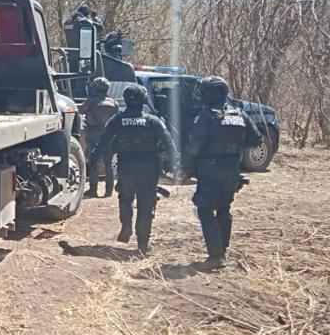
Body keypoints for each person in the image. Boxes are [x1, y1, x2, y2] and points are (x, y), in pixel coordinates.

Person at [90, 84, 179, 256]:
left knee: (125, 198)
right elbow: (168, 142)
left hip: (126, 167)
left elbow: (103, 141)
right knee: (146, 205)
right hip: (149, 169)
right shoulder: (153, 120)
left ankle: (126, 226)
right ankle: (143, 245)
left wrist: (94, 159)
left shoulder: (116, 120)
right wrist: (176, 164)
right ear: (143, 100)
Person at [184, 76, 262, 270]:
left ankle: (215, 255)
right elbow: (257, 139)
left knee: (205, 209)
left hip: (209, 169)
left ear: (212, 93)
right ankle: (222, 251)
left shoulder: (206, 115)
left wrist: (185, 166)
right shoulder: (240, 114)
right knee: (224, 209)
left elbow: (195, 144)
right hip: (232, 169)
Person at [78, 77, 119, 197]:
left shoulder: (90, 102)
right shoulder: (113, 103)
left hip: (94, 136)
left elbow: (80, 110)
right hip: (109, 136)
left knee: (93, 162)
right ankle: (108, 191)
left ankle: (93, 190)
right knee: (108, 163)